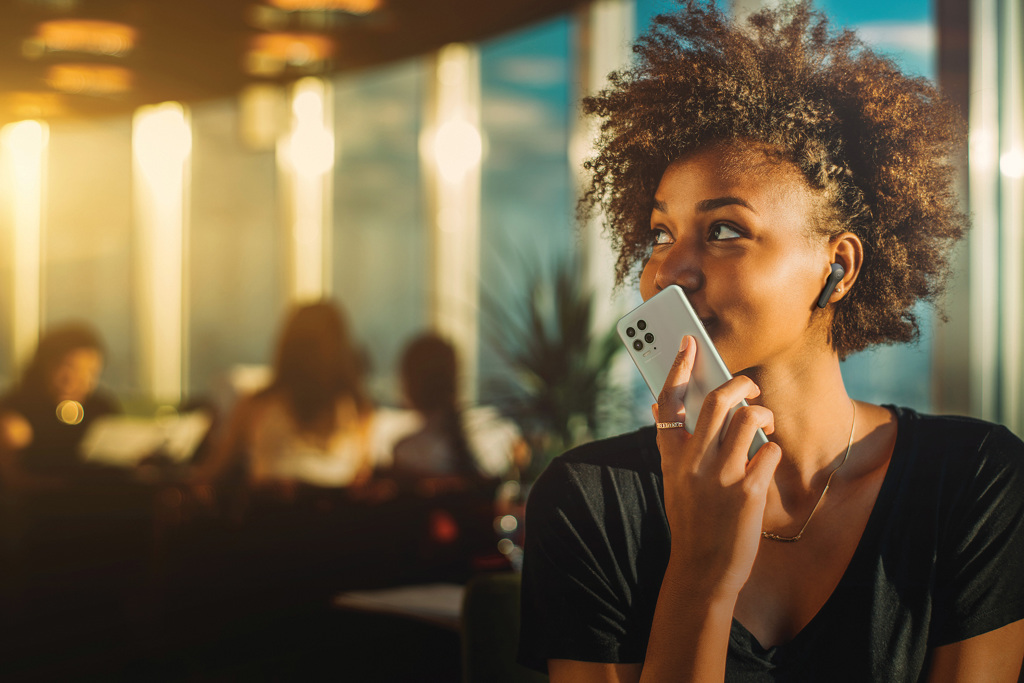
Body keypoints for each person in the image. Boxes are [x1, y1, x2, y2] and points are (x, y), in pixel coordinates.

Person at [517, 2, 1024, 681]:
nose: (667, 270)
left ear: (838, 267)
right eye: (661, 234)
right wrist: (700, 574)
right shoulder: (590, 500)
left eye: (725, 230)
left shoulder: (973, 481)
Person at [193, 300, 374, 492]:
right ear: (341, 347)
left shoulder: (257, 405)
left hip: (273, 517)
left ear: (287, 346)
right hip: (335, 518)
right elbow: (361, 478)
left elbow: (214, 472)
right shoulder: (358, 411)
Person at [0, 322, 119, 492]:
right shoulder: (15, 410)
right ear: (43, 365)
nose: (76, 379)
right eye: (68, 367)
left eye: (90, 371)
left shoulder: (101, 408)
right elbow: (13, 482)